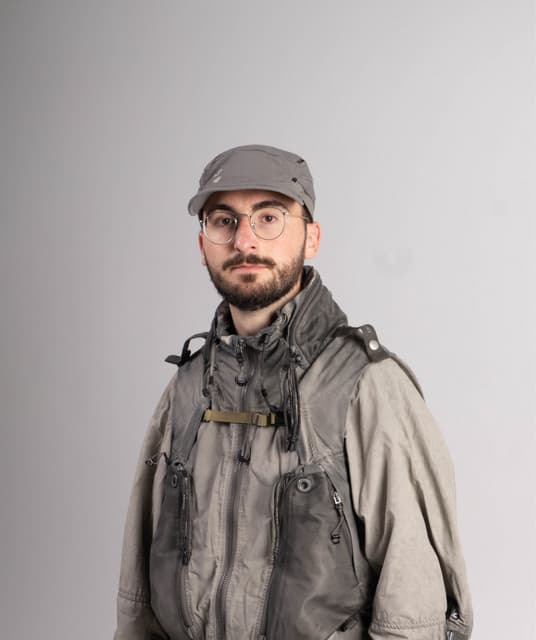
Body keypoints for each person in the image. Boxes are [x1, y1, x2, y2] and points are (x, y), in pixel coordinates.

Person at [114, 144, 473, 640]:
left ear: (311, 237)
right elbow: (139, 597)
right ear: (202, 245)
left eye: (269, 217)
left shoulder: (365, 385)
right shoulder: (187, 389)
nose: (244, 240)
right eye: (223, 221)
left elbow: (415, 610)